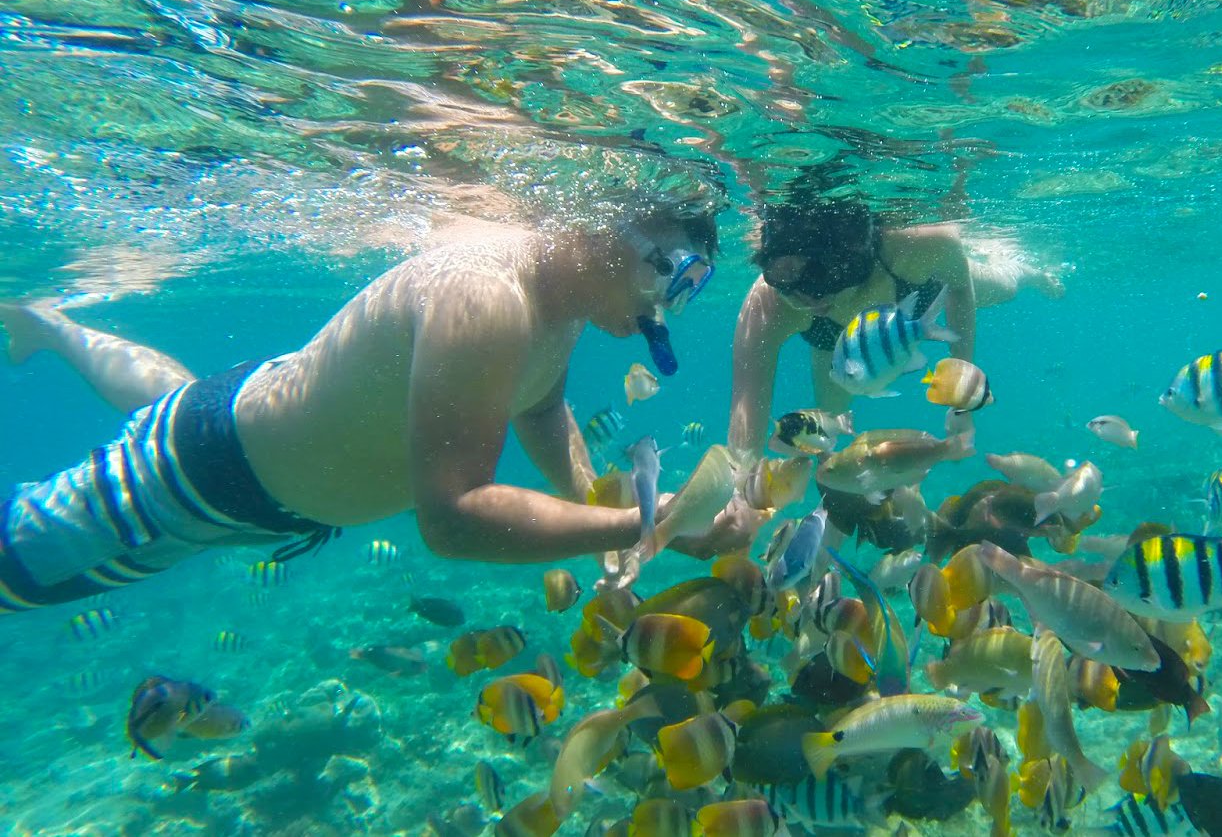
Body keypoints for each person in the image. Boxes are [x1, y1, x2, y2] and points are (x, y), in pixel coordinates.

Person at [0, 189, 734, 614]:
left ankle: (55, 329)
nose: (665, 305)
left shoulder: (565, 301)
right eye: (666, 273)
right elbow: (452, 520)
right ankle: (53, 329)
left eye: (684, 287)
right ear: (599, 229)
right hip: (196, 480)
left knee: (175, 400)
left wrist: (591, 500)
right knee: (18, 573)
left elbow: (538, 407)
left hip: (271, 476)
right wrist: (647, 523)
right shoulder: (487, 299)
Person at [726, 187, 1062, 458]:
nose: (810, 303)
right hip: (832, 343)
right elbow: (746, 407)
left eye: (826, 290)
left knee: (1004, 288)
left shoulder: (919, 244)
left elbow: (959, 288)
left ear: (857, 261)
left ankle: (1025, 270)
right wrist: (739, 496)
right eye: (791, 289)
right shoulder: (766, 305)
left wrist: (962, 400)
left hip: (922, 293)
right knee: (829, 420)